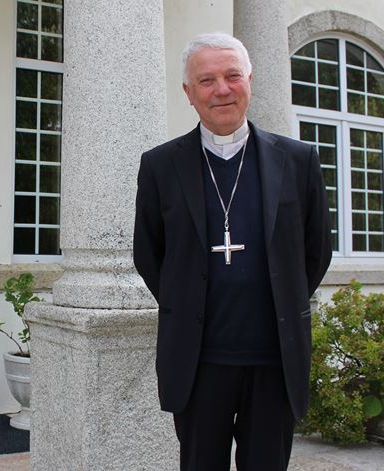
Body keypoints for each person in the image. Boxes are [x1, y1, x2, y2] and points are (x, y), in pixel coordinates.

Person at [133, 32, 332, 470]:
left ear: (250, 81)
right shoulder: (161, 166)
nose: (221, 89)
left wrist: (282, 298)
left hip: (274, 360)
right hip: (199, 361)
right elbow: (149, 256)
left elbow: (316, 253)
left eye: (232, 76)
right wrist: (185, 303)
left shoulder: (298, 161)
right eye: (206, 80)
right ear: (188, 93)